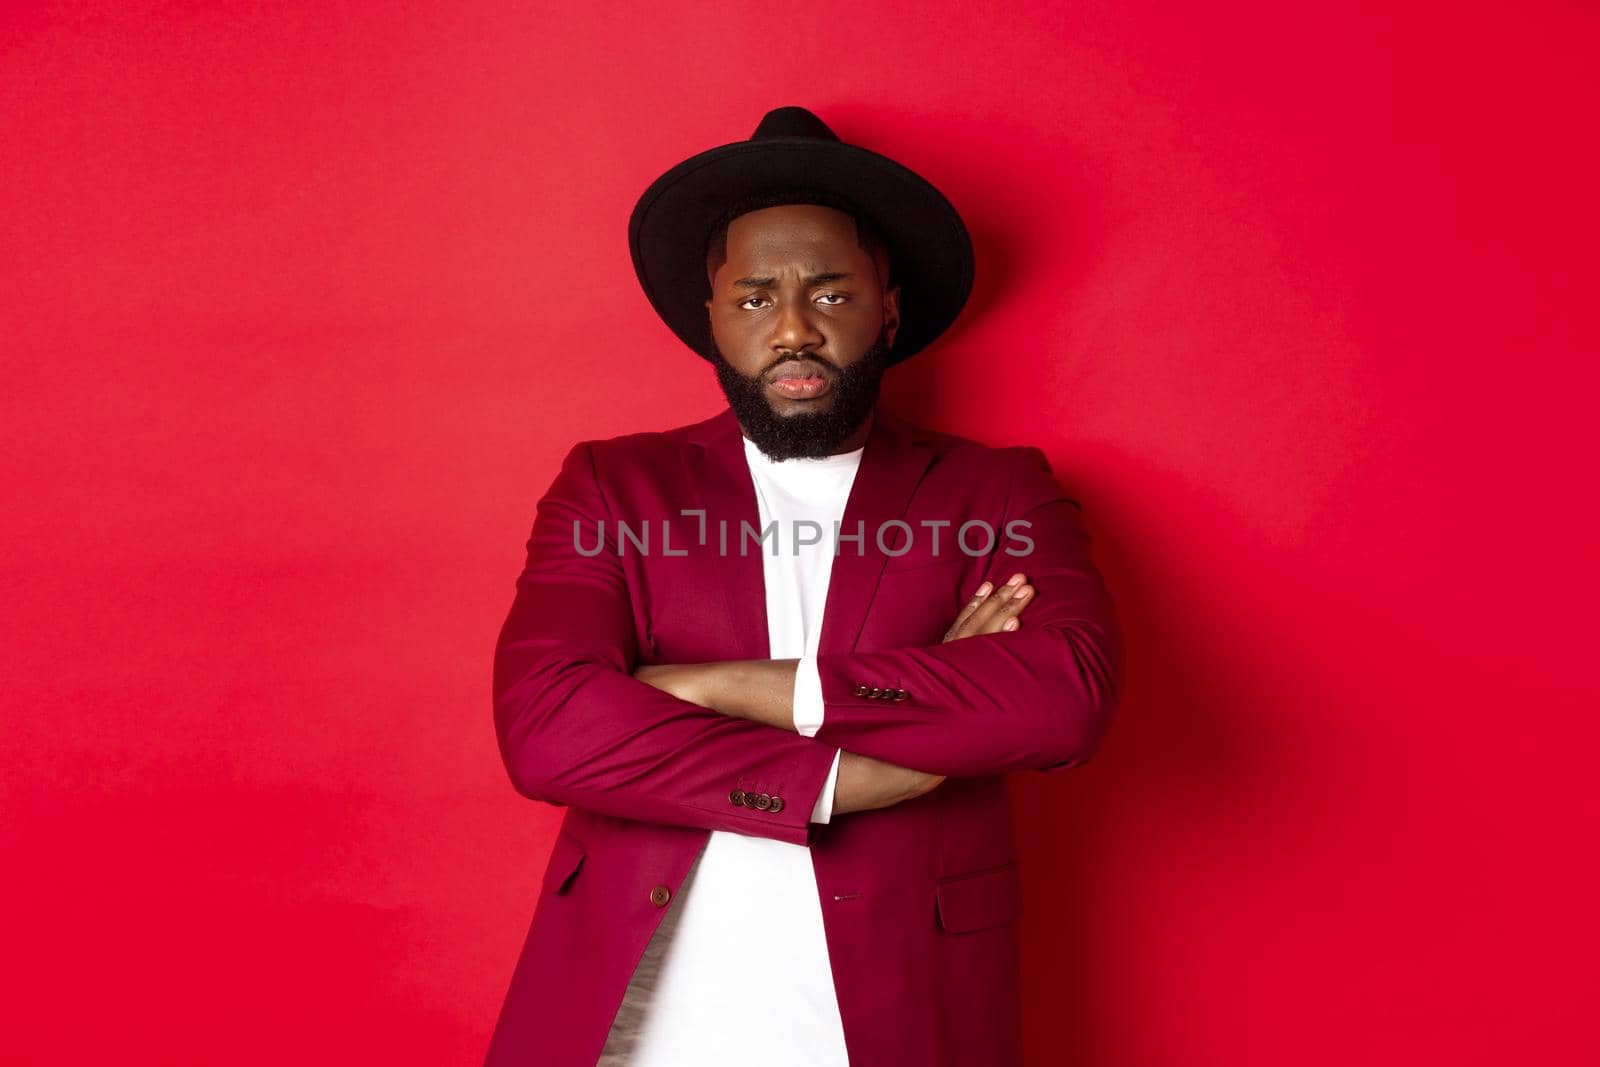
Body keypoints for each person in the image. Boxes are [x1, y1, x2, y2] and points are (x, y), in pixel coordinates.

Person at [485, 106, 1124, 1067]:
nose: (792, 329)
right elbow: (545, 731)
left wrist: (708, 685)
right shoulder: (614, 485)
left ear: (887, 308)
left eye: (829, 294)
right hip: (639, 1012)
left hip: (902, 1001)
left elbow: (1066, 697)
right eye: (754, 299)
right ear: (712, 320)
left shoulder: (996, 489)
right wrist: (849, 775)